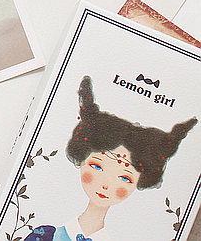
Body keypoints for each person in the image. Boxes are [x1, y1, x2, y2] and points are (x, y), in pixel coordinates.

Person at [24, 76, 197, 241]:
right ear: (81, 159)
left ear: (140, 181)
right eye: (97, 166)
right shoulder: (45, 236)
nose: (105, 184)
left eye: (125, 178)